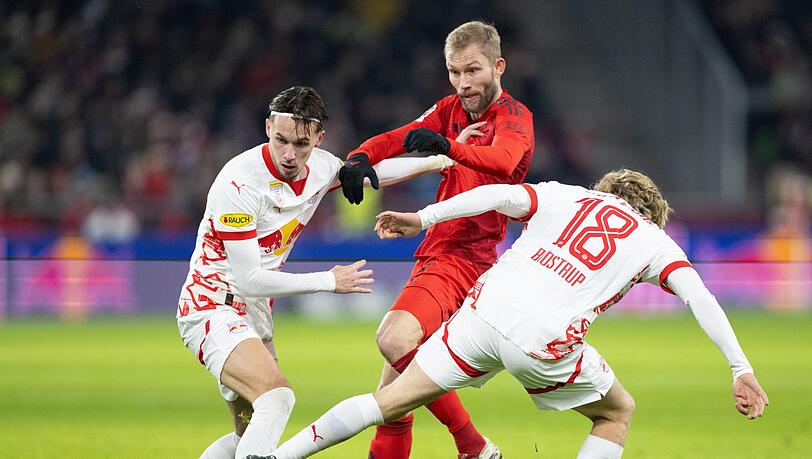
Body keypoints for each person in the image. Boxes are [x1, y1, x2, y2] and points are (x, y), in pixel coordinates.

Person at [268, 170, 769, 459]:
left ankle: (276, 456)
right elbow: (699, 296)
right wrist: (740, 369)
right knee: (616, 412)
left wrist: (423, 217)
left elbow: (497, 196)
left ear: (606, 189)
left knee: (390, 399)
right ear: (652, 213)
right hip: (544, 339)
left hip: (483, 312)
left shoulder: (566, 194)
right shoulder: (654, 240)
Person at [176, 86, 456, 459]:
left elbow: (373, 174)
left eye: (302, 144)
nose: (290, 154)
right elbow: (249, 279)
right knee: (277, 399)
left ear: (319, 139)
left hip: (254, 313)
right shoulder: (238, 182)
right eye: (281, 140)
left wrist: (440, 161)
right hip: (211, 306)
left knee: (247, 440)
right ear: (267, 128)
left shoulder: (322, 167)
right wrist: (328, 281)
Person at [337, 20, 534, 459]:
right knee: (391, 400)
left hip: (465, 257)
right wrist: (358, 158)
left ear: (498, 66)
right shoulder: (450, 109)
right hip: (439, 252)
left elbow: (502, 162)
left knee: (393, 340)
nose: (463, 84)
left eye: (473, 71)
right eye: (454, 72)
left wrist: (446, 147)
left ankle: (474, 445)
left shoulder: (515, 118)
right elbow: (398, 137)